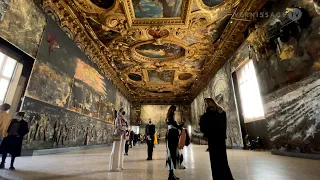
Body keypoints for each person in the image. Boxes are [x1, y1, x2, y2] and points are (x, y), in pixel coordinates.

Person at [199, 98, 234, 180]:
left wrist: (202, 119)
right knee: (223, 160)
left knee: (214, 161)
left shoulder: (207, 115)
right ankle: (227, 177)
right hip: (221, 139)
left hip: (213, 140)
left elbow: (203, 128)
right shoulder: (222, 112)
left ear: (207, 104)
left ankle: (217, 178)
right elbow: (223, 126)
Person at [166, 105, 184, 180]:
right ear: (172, 110)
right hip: (172, 137)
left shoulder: (170, 117)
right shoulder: (170, 117)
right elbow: (174, 125)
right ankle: (171, 175)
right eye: (174, 110)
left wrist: (181, 125)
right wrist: (180, 126)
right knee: (171, 155)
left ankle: (171, 174)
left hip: (173, 137)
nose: (175, 111)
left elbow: (175, 125)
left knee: (172, 155)